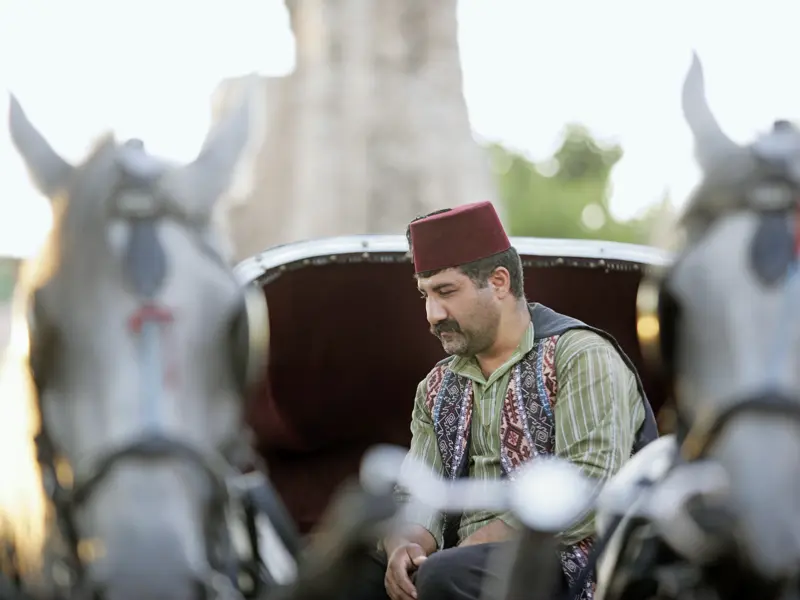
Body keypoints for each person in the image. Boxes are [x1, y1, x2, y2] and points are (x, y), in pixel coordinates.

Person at [348, 201, 658, 600]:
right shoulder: (436, 386)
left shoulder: (581, 355)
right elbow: (417, 493)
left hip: (565, 561)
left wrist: (459, 554)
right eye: (424, 294)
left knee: (445, 575)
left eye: (446, 291)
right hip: (455, 565)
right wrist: (404, 548)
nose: (431, 313)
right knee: (350, 572)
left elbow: (588, 487)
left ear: (498, 282)